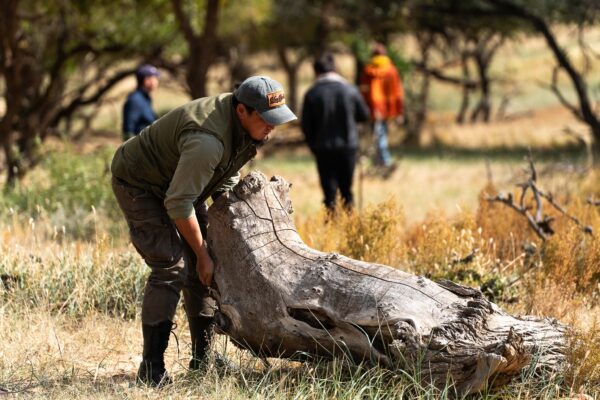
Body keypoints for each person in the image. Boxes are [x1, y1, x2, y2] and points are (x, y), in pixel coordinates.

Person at [111, 76, 297, 386]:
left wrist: (223, 234)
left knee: (207, 267)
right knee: (172, 266)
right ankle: (151, 369)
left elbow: (223, 177)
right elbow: (179, 202)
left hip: (182, 186)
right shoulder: (207, 141)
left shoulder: (239, 125)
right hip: (140, 185)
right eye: (266, 119)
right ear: (242, 111)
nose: (272, 127)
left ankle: (202, 362)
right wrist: (200, 254)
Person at [301, 53, 370, 210]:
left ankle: (332, 228)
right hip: (348, 147)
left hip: (323, 149)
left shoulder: (312, 94)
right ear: (335, 69)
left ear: (316, 72)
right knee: (347, 191)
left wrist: (313, 146)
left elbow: (306, 126)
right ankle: (349, 227)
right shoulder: (350, 90)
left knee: (330, 194)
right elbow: (364, 115)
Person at [359, 43, 404, 173]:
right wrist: (399, 111)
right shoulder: (391, 70)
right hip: (386, 108)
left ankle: (381, 162)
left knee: (377, 135)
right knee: (380, 135)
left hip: (372, 108)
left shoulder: (368, 70)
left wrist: (361, 110)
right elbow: (397, 93)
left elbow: (364, 92)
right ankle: (384, 162)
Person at [122, 64, 160, 141]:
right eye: (155, 78)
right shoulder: (135, 100)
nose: (157, 81)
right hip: (140, 147)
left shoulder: (145, 98)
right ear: (146, 80)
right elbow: (128, 130)